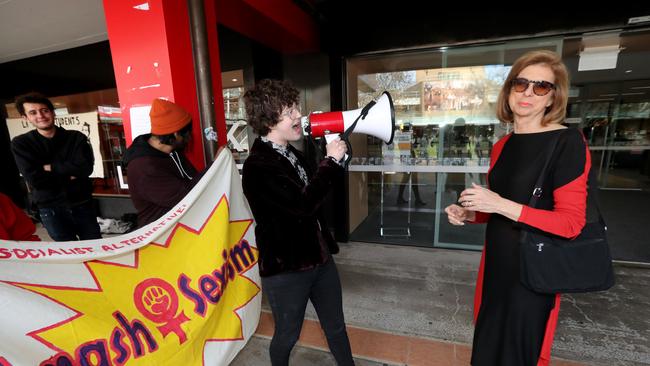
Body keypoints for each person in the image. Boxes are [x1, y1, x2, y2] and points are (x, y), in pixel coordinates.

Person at [444, 50, 590, 366]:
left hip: (533, 275)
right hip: (496, 268)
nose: (527, 93)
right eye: (520, 83)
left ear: (553, 97)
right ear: (509, 90)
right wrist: (470, 213)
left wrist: (499, 203)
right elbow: (501, 207)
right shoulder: (503, 145)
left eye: (541, 87)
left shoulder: (568, 142)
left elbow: (570, 223)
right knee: (486, 353)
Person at [241, 79, 354, 366]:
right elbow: (302, 206)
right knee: (287, 336)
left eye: (296, 108)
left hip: (320, 260)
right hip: (286, 268)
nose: (297, 116)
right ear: (268, 119)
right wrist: (329, 162)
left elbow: (317, 192)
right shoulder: (258, 167)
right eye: (289, 111)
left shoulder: (294, 154)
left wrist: (337, 161)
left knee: (337, 328)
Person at [11, 92, 101, 241]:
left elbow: (85, 169)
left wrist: (49, 168)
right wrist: (70, 173)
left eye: (44, 110)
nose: (40, 115)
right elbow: (35, 180)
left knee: (96, 247)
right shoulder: (21, 143)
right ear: (25, 118)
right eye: (33, 112)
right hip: (50, 208)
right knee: (67, 252)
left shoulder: (76, 137)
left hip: (82, 203)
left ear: (52, 113)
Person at [123, 98, 204, 228]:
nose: (190, 137)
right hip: (164, 237)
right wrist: (216, 164)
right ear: (176, 134)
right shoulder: (144, 167)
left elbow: (192, 179)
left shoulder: (172, 151)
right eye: (188, 133)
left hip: (183, 228)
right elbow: (187, 197)